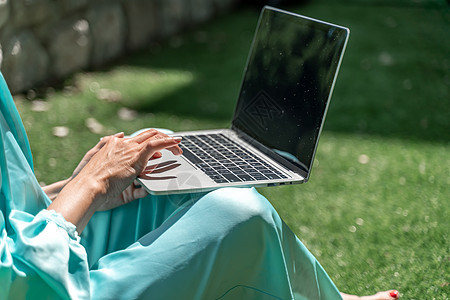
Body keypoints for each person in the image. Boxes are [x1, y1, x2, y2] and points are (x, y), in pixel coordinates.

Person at [0, 72, 399, 299]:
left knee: (163, 160)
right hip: (38, 285)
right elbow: (20, 281)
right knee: (238, 213)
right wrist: (88, 184)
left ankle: (322, 297)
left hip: (34, 246)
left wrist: (66, 190)